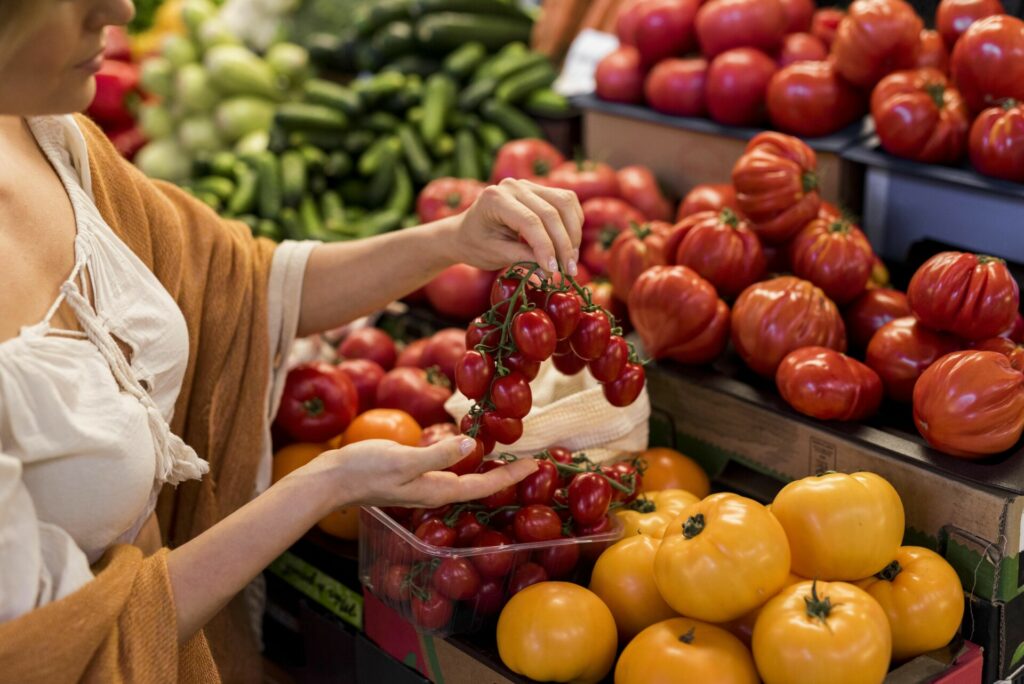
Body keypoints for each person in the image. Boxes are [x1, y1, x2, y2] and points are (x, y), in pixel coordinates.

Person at [0, 1, 584, 681]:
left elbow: (241, 284)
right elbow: (56, 653)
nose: (120, 8)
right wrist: (324, 484)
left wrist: (452, 239)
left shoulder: (45, 132)